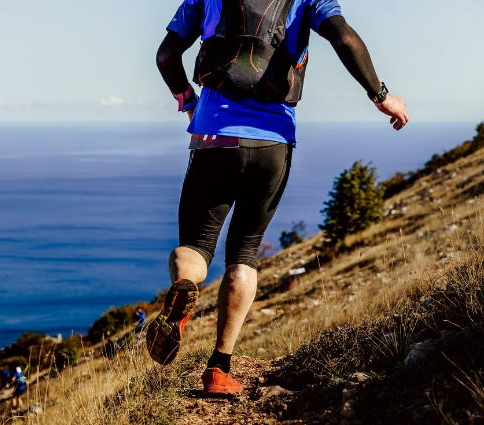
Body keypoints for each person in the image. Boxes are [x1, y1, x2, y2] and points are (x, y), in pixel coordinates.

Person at [146, 0, 408, 396]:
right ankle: (219, 368)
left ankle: (184, 285)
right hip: (273, 143)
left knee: (196, 246)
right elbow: (345, 39)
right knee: (245, 252)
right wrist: (381, 95)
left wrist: (188, 101)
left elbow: (166, 55)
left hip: (213, 137)